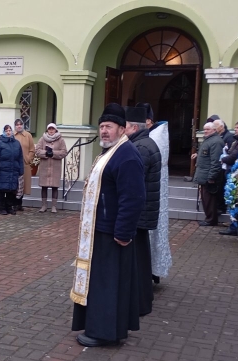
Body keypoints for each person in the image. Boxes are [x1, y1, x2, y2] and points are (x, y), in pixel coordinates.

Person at [71, 102, 145, 347]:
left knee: (107, 285)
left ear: (122, 129)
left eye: (109, 127)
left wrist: (123, 231)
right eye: (102, 126)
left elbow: (132, 197)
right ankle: (99, 327)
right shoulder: (110, 152)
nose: (104, 131)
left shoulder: (127, 156)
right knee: (101, 283)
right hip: (100, 231)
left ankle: (103, 332)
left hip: (113, 233)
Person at [124, 106, 161, 317]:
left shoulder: (140, 148)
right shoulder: (144, 143)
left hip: (138, 213)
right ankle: (143, 300)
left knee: (137, 262)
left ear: (133, 127)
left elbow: (132, 183)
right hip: (143, 212)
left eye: (125, 126)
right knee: (140, 259)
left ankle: (139, 303)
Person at [147, 116, 172, 284]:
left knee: (151, 234)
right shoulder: (158, 136)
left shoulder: (153, 138)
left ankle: (150, 271)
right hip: (155, 193)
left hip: (150, 193)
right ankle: (153, 271)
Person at [192, 122, 224, 226]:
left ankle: (211, 219)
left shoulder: (216, 142)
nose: (205, 131)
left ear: (214, 130)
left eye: (208, 129)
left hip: (208, 176)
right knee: (206, 199)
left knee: (209, 200)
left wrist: (211, 177)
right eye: (204, 129)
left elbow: (216, 161)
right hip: (203, 174)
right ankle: (209, 218)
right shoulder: (209, 140)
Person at [0, 124, 24, 215]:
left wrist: (21, 170)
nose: (8, 132)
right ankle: (2, 208)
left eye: (10, 130)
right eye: (6, 131)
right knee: (2, 190)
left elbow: (20, 158)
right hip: (3, 171)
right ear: (3, 132)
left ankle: (9, 207)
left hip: (13, 170)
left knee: (11, 191)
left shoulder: (16, 143)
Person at [36, 123, 67, 213]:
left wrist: (53, 153)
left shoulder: (60, 140)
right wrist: (45, 153)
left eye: (53, 129)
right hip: (45, 167)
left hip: (55, 167)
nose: (51, 131)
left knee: (55, 187)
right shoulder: (42, 139)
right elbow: (37, 151)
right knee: (44, 187)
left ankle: (54, 206)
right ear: (47, 130)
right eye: (49, 129)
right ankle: (44, 205)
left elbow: (64, 152)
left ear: (55, 130)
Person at [13, 118, 35, 211]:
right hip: (14, 163)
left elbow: (32, 149)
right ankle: (14, 203)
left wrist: (28, 159)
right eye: (17, 124)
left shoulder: (28, 135)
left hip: (24, 163)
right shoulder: (12, 135)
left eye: (20, 124)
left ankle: (19, 204)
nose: (19, 126)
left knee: (23, 184)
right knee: (15, 184)